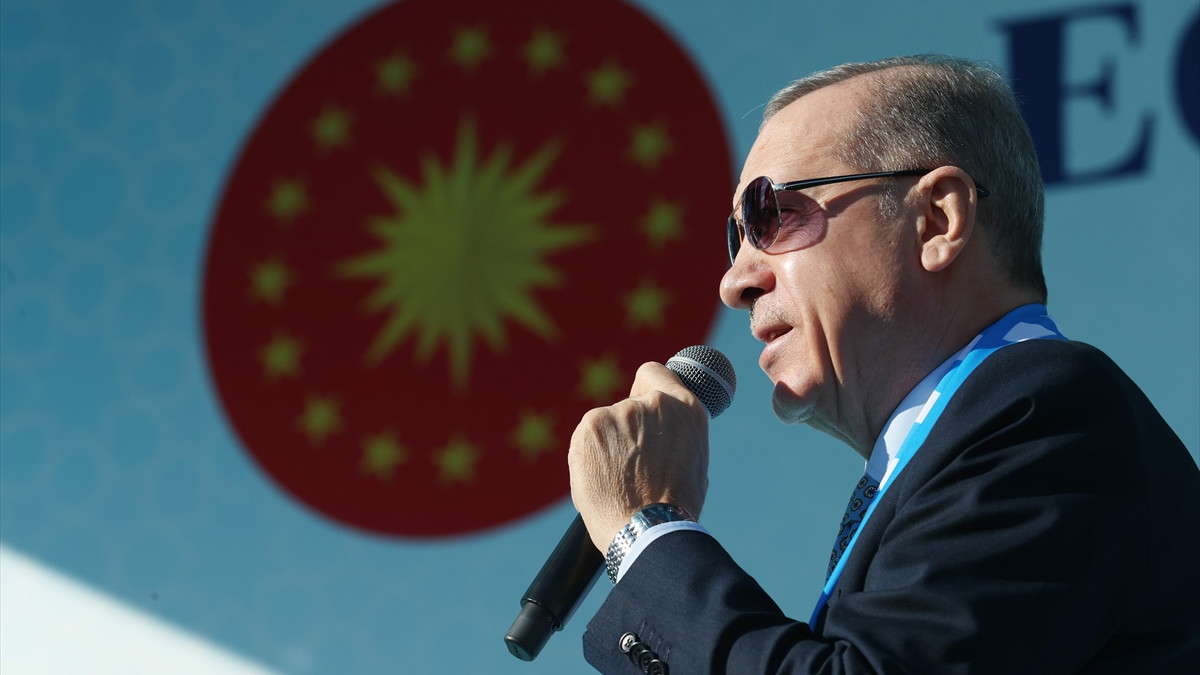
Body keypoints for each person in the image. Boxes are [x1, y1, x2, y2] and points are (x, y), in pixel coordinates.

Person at [567, 55, 1200, 674]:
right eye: (736, 237)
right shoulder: (972, 443)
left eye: (770, 214)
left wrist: (645, 527)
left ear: (936, 221)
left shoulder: (1049, 415)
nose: (735, 282)